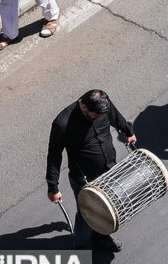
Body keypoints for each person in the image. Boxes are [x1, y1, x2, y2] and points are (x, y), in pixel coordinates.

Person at [46, 89, 135, 252]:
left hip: (109, 172)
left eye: (102, 115)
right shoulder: (62, 123)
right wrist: (53, 187)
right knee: (87, 217)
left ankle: (101, 237)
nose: (100, 118)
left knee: (107, 211)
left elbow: (116, 118)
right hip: (85, 180)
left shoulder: (102, 106)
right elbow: (54, 156)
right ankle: (81, 250)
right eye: (96, 116)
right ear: (84, 106)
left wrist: (128, 132)